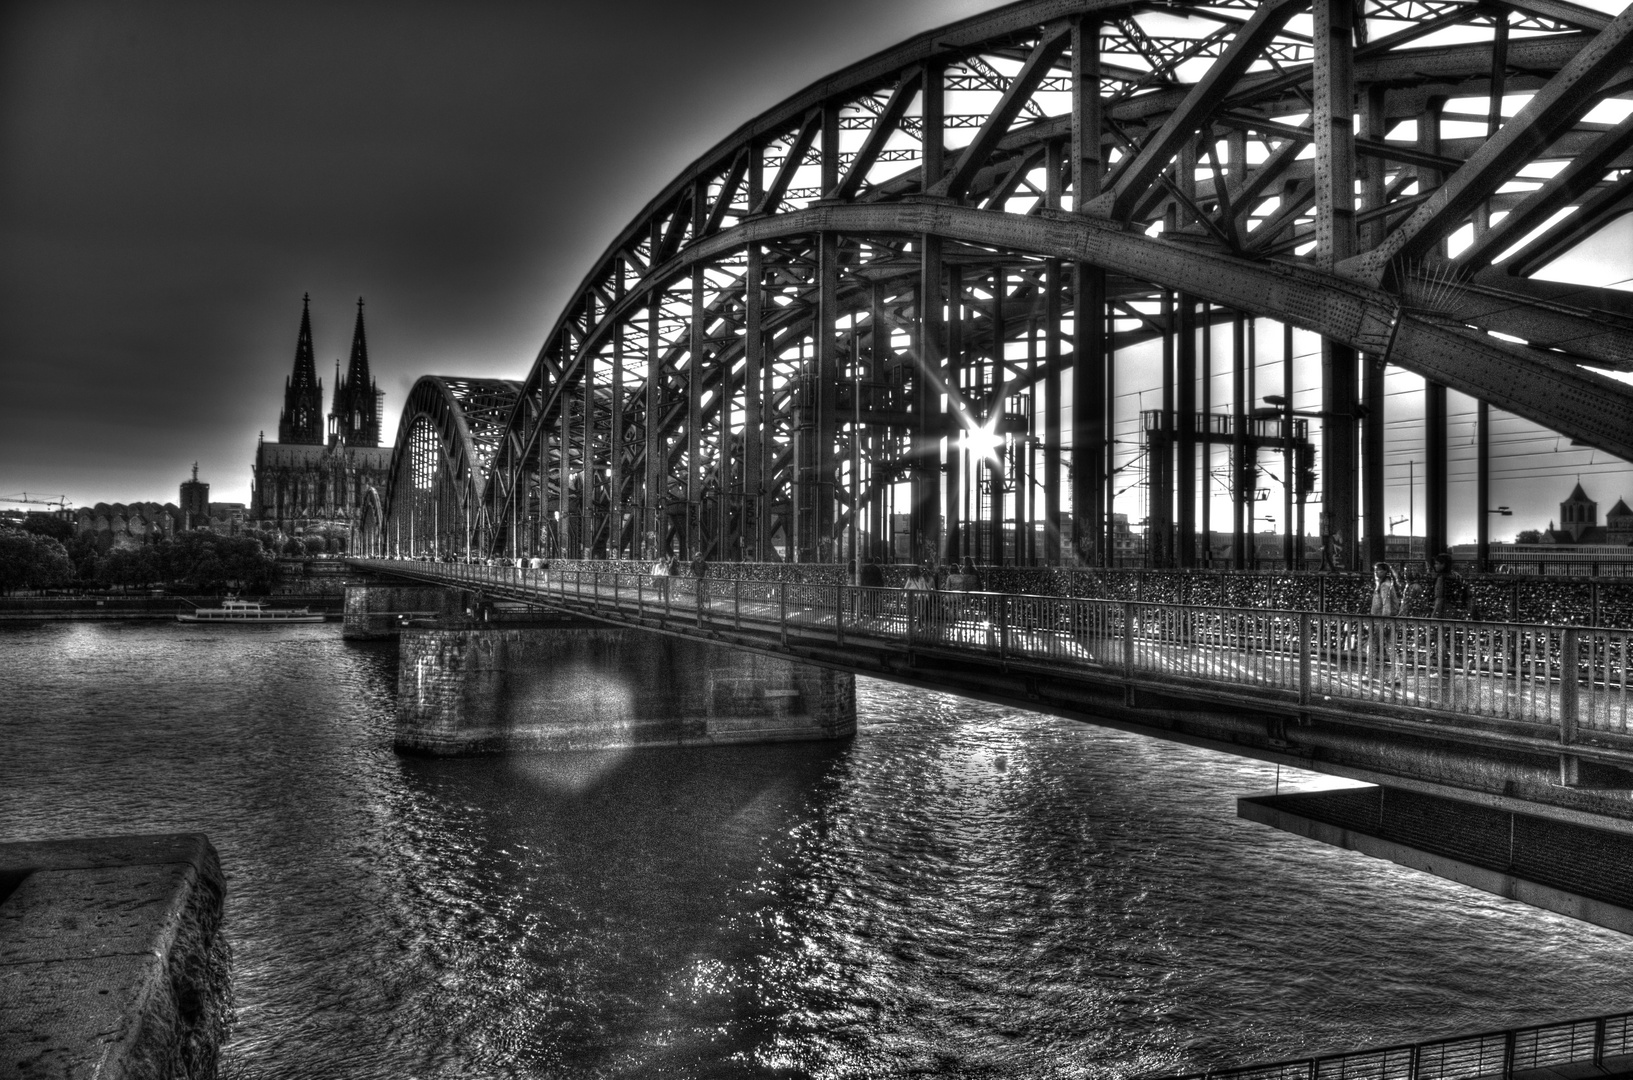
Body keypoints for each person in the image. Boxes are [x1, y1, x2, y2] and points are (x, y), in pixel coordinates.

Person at [1366, 561, 1401, 682]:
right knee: (1391, 648)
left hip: (1381, 620)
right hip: (1388, 620)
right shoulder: (1387, 584)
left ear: (1385, 571)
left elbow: (1386, 605)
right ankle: (1397, 676)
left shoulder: (1384, 585)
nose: (1376, 572)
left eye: (1379, 570)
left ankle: (1369, 674)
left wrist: (1384, 621)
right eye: (1375, 570)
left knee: (1373, 647)